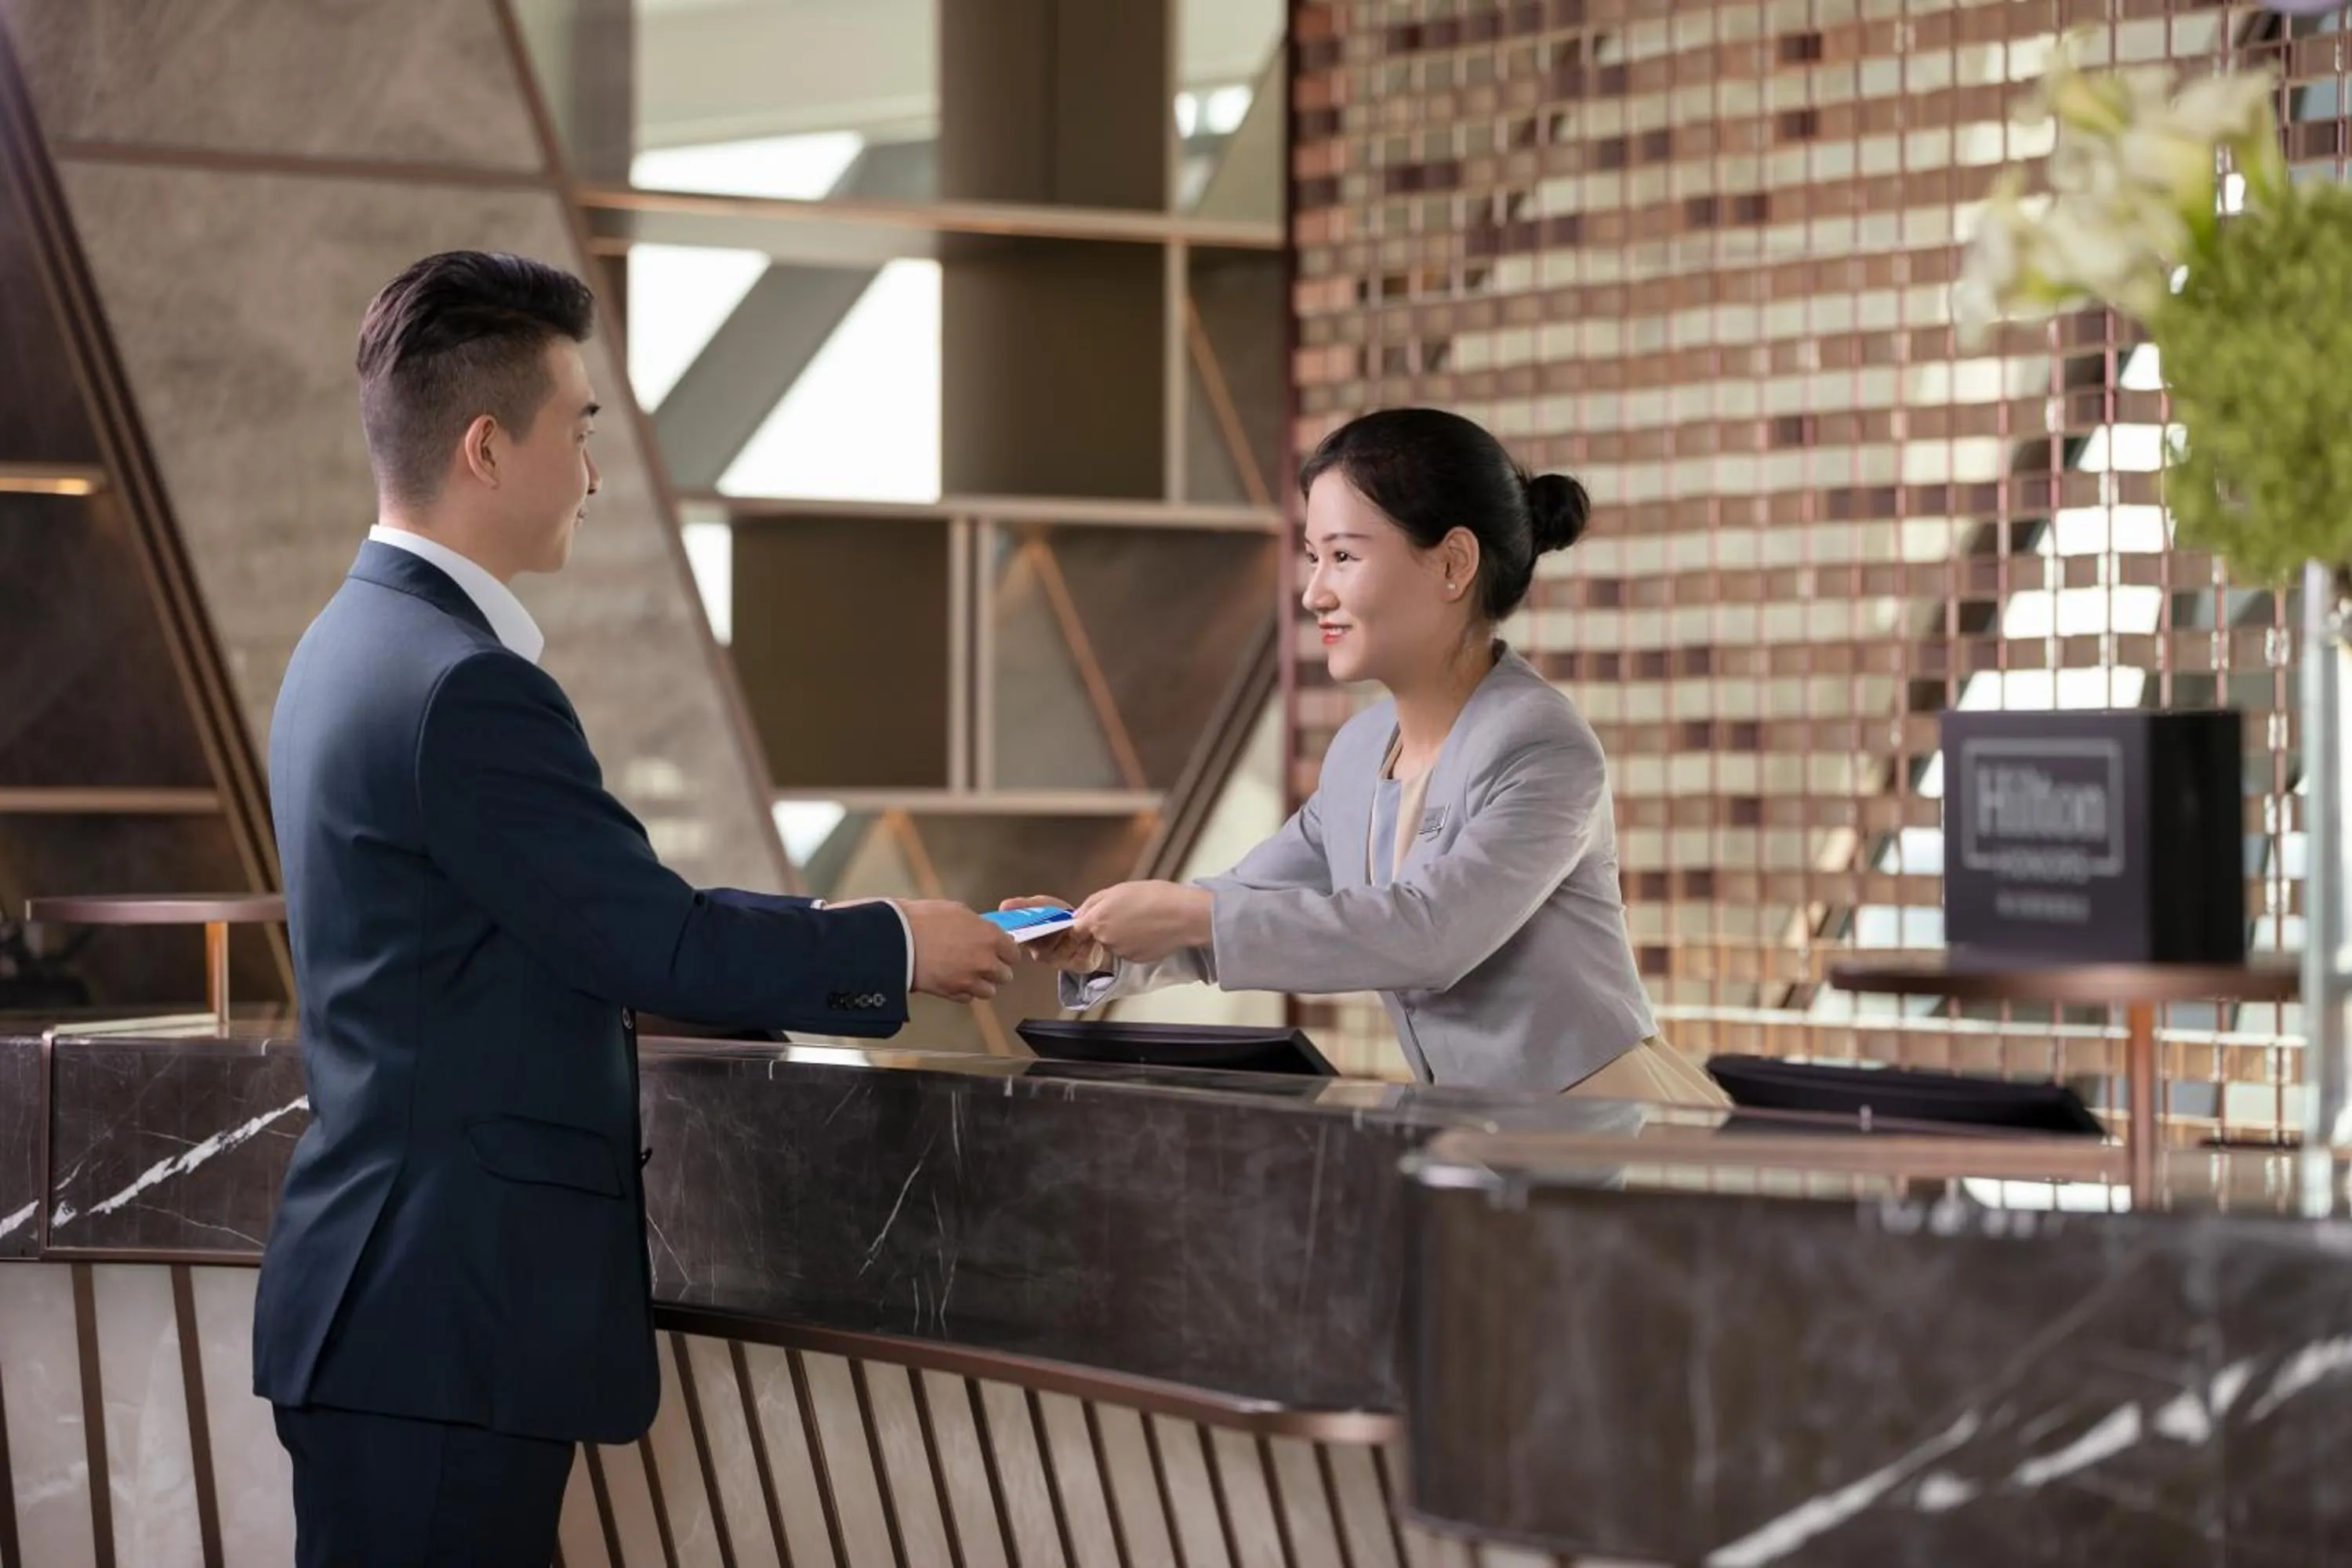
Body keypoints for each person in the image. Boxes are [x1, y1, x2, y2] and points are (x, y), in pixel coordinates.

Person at [252, 250, 1020, 1566]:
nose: (594, 477)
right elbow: (645, 933)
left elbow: (539, 937)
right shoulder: (461, 686)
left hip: (393, 1314)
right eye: (581, 431)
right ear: (489, 448)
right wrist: (896, 941)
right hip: (442, 1325)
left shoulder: (347, 644)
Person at [1013, 407, 1723, 1102]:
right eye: (1314, 559)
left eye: (1344, 557)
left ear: (1453, 563)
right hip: (1481, 1140)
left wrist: (1190, 916)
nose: (1315, 592)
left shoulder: (1540, 743)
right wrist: (1099, 945)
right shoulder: (1359, 752)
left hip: (1610, 1129)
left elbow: (1431, 933)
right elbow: (1245, 901)